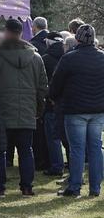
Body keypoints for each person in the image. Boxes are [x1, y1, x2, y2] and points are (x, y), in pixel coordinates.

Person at [0, 19, 48, 197]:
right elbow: (42, 87)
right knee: (26, 151)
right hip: (27, 111)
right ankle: (27, 187)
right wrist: (38, 110)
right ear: (22, 32)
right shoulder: (36, 58)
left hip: (1, 112)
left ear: (6, 32)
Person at [50, 24, 104, 197]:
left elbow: (55, 86)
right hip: (97, 110)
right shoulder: (102, 58)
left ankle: (74, 186)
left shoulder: (69, 58)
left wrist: (55, 98)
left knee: (77, 150)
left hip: (75, 110)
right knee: (95, 148)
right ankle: (95, 188)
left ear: (78, 38)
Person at [42, 32, 66, 177]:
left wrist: (49, 96)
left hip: (52, 103)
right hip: (68, 103)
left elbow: (44, 82)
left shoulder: (45, 59)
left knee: (52, 137)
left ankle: (56, 165)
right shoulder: (67, 57)